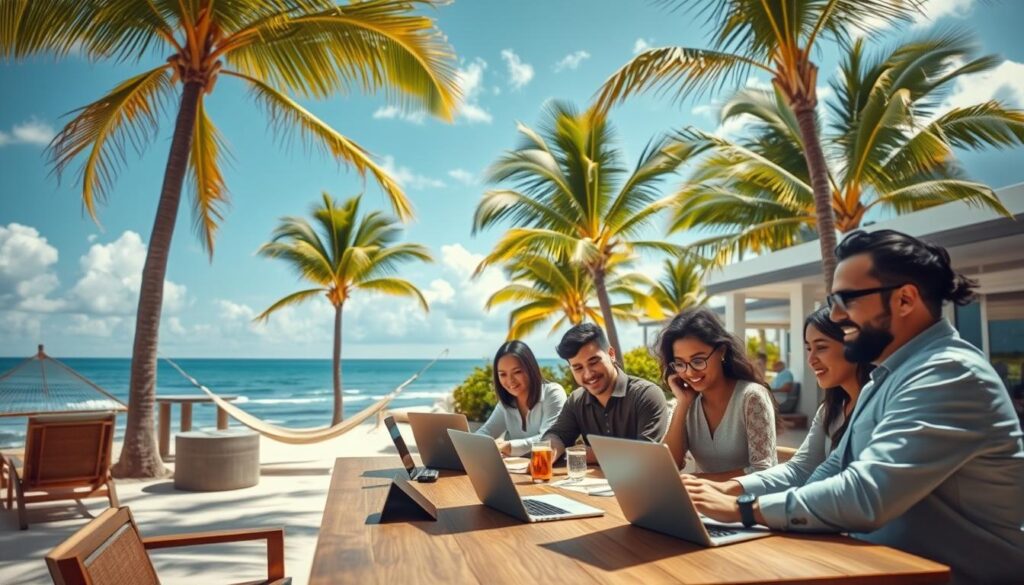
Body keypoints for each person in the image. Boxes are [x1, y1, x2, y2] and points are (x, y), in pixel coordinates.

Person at [683, 229, 1024, 584]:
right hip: (876, 569)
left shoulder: (949, 374)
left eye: (847, 298)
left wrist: (744, 510)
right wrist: (730, 490)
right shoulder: (885, 379)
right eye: (833, 301)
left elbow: (866, 493)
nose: (836, 315)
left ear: (905, 299)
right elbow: (817, 472)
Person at [689, 307, 871, 497]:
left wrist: (745, 507)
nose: (811, 359)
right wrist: (725, 487)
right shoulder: (829, 410)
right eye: (809, 348)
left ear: (854, 345)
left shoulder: (881, 406)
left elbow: (848, 488)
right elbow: (800, 469)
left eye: (821, 347)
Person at [657, 307, 779, 481]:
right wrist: (683, 404)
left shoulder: (751, 397)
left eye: (698, 361)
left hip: (749, 503)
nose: (690, 373)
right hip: (704, 503)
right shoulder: (685, 404)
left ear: (721, 351)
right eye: (680, 364)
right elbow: (667, 466)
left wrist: (702, 480)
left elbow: (764, 470)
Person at [542, 323, 669, 465]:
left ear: (611, 354)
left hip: (641, 485)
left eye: (594, 362)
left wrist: (593, 454)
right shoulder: (576, 400)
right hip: (589, 485)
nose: (588, 374)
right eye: (578, 368)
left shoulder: (646, 395)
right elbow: (558, 434)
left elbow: (646, 455)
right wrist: (547, 452)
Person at [475, 340, 566, 457]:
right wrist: (471, 442)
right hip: (518, 471)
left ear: (530, 369)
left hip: (552, 468)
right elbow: (486, 431)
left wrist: (508, 446)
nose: (510, 381)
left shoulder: (552, 393)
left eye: (517, 372)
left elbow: (548, 440)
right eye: (503, 374)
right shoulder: (506, 403)